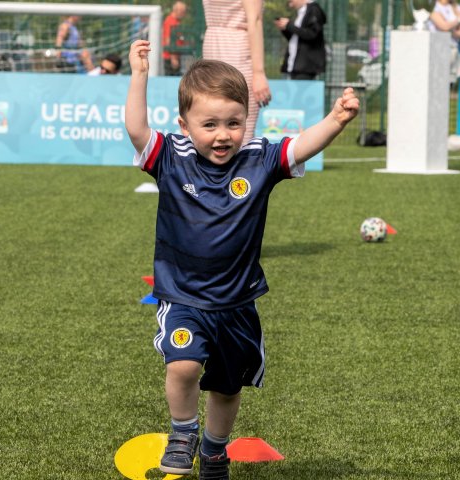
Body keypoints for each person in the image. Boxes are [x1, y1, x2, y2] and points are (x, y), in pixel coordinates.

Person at [125, 39, 359, 480]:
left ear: (246, 122)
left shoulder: (260, 160)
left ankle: (214, 450)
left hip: (237, 305)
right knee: (183, 365)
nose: (222, 134)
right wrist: (139, 76)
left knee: (228, 388)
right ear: (184, 124)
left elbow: (302, 146)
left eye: (233, 123)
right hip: (183, 297)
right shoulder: (171, 158)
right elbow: (137, 130)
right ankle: (181, 433)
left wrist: (337, 119)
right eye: (209, 124)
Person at [202, 0, 272, 144]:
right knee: (210, 131)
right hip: (211, 49)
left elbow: (255, 20)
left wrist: (258, 73)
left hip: (237, 51)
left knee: (237, 133)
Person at [274, 0, 327, 80]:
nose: (290, 3)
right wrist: (285, 28)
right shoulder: (301, 12)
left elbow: (311, 34)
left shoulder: (313, 10)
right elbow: (297, 38)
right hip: (294, 65)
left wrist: (289, 25)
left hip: (305, 67)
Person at [428, 0, 460, 84]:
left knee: (449, 83)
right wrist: (458, 20)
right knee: (435, 82)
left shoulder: (457, 8)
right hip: (437, 50)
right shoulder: (432, 6)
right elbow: (444, 26)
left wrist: (449, 28)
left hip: (453, 51)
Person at [162, 1, 188, 76]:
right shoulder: (170, 21)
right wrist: (173, 58)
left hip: (175, 56)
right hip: (170, 58)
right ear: (178, 11)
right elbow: (168, 40)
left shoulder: (176, 21)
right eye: (183, 12)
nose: (184, 14)